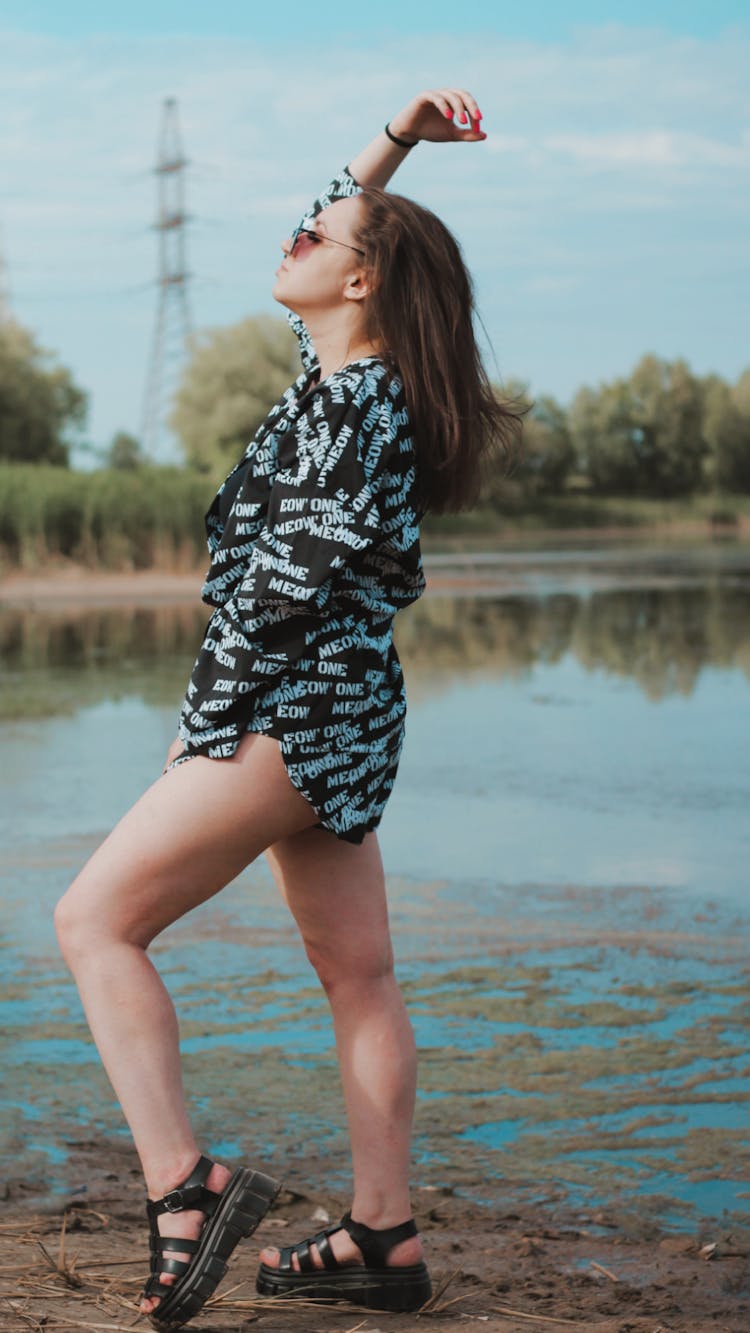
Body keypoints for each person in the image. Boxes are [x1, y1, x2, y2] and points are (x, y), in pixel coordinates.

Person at [54, 87, 525, 1331]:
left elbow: (277, 593)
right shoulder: (345, 387)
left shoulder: (350, 412)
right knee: (357, 971)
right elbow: (334, 220)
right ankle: (385, 1232)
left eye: (316, 240)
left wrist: (200, 725)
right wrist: (396, 138)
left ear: (361, 285)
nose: (292, 240)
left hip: (289, 712)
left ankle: (187, 1188)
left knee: (94, 922)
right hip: (347, 716)